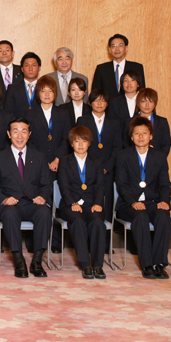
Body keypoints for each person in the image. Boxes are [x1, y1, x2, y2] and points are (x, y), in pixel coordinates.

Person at [0, 118, 52, 278]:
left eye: (24, 131)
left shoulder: (39, 157)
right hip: (10, 204)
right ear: (9, 134)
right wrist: (3, 199)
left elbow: (46, 185)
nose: (19, 135)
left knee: (44, 212)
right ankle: (19, 260)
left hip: (32, 203)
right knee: (9, 214)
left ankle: (37, 260)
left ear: (29, 134)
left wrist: (43, 197)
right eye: (15, 131)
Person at [115, 117, 171, 279]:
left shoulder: (159, 156)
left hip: (153, 202)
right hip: (129, 204)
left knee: (163, 217)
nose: (141, 136)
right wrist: (133, 202)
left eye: (144, 133)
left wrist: (164, 201)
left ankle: (160, 264)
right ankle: (147, 264)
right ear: (131, 137)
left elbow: (165, 184)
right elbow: (122, 184)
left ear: (151, 136)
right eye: (137, 133)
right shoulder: (123, 156)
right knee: (140, 217)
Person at [57, 126, 106, 279]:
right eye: (76, 141)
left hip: (92, 204)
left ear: (89, 143)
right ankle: (85, 265)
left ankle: (98, 265)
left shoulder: (96, 161)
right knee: (77, 221)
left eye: (83, 141)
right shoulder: (64, 161)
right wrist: (72, 203)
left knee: (98, 222)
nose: (80, 144)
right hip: (70, 204)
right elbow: (63, 186)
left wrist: (98, 203)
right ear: (71, 143)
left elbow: (99, 186)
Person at [76, 88, 122, 251]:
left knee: (106, 204)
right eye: (96, 100)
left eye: (103, 100)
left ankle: (105, 244)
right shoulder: (82, 120)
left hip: (107, 171)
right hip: (88, 170)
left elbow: (117, 147)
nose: (99, 103)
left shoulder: (114, 122)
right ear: (90, 103)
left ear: (107, 103)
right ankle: (88, 242)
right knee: (88, 202)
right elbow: (78, 145)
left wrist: (107, 167)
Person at [24, 75, 70, 175]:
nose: (47, 94)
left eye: (50, 91)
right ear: (38, 93)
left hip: (59, 163)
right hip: (37, 163)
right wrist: (42, 160)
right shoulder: (30, 114)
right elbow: (28, 139)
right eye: (43, 91)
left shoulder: (63, 113)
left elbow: (66, 138)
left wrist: (57, 159)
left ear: (55, 93)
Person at [92, 34, 146, 101]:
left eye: (120, 45)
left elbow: (142, 92)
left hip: (131, 108)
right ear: (110, 50)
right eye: (114, 46)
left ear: (126, 48)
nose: (117, 49)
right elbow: (95, 93)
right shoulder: (101, 69)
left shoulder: (137, 67)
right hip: (108, 109)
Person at [124, 88, 171, 155]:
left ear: (155, 103)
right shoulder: (129, 122)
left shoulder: (162, 122)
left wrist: (159, 159)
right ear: (138, 103)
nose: (147, 105)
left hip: (157, 161)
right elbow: (126, 144)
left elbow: (166, 144)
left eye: (150, 101)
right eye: (143, 101)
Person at [108, 70, 143, 147]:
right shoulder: (114, 102)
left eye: (132, 80)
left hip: (141, 144)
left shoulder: (144, 101)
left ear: (138, 84)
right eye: (126, 80)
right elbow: (111, 125)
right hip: (120, 145)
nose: (129, 83)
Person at [4, 52, 41, 118]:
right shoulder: (12, 88)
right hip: (19, 127)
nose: (30, 68)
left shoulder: (44, 88)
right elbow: (8, 112)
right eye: (27, 65)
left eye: (34, 65)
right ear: (22, 69)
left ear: (39, 68)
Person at [0, 40, 24, 105]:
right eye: (0, 51)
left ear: (13, 53)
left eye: (7, 50)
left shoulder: (22, 70)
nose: (4, 53)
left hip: (19, 111)